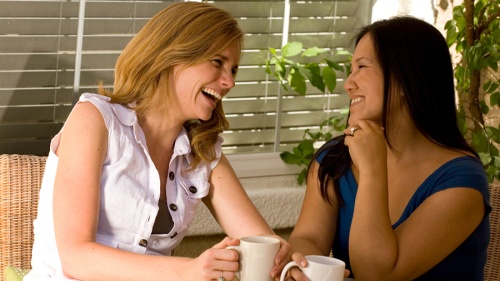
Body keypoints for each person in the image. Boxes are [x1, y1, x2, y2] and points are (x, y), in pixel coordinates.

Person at [24, 2, 290, 281]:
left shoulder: (203, 151)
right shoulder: (95, 120)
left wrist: (284, 259)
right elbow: (76, 259)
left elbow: (261, 241)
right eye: (217, 62)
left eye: (233, 70)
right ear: (173, 55)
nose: (230, 81)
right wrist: (189, 269)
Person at [283, 16, 490, 281]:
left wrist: (372, 167)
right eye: (351, 69)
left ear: (406, 79)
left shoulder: (461, 183)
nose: (348, 84)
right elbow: (308, 237)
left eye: (362, 67)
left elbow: (377, 274)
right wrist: (304, 262)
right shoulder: (336, 159)